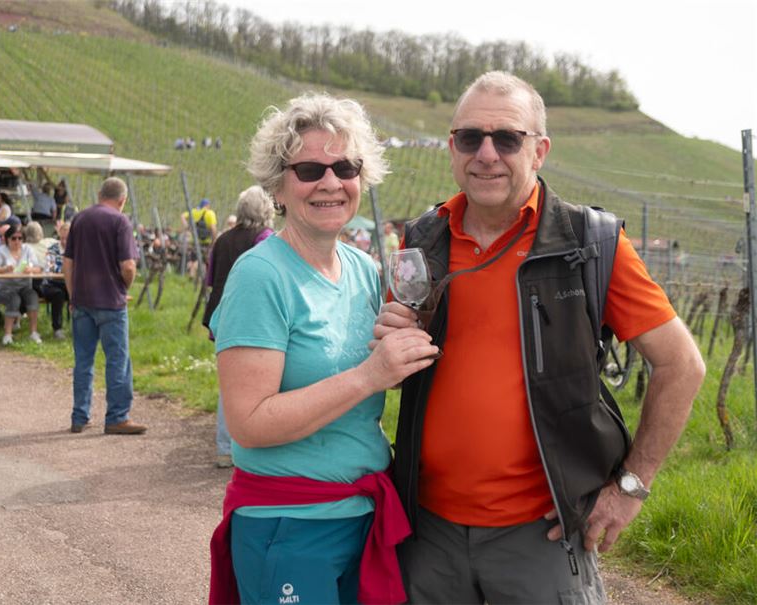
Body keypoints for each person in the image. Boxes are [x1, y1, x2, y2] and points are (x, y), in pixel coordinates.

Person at [373, 71, 706, 604]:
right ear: (451, 147)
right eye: (469, 138)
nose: (486, 154)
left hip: (541, 537)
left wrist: (629, 488)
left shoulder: (588, 244)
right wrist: (388, 348)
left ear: (540, 150)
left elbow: (682, 365)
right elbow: (401, 369)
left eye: (507, 138)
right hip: (427, 532)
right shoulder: (424, 238)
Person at [207, 93, 434, 605]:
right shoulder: (260, 276)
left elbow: (359, 390)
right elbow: (248, 422)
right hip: (290, 526)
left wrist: (397, 356)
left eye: (345, 167)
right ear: (279, 186)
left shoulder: (362, 268)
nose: (330, 182)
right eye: (310, 169)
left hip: (362, 516)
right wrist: (371, 375)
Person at [63, 177, 146, 436]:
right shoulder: (120, 221)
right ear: (122, 200)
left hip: (82, 301)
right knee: (117, 360)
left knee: (83, 360)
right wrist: (124, 288)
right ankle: (117, 417)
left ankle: (80, 416)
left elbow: (68, 263)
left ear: (100, 194)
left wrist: (72, 295)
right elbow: (129, 266)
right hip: (111, 303)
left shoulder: (80, 218)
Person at [201, 186, 275, 469]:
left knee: (228, 382)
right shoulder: (265, 239)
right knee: (254, 382)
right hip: (252, 316)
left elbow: (210, 279)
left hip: (221, 314)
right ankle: (247, 447)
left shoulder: (221, 239)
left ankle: (224, 448)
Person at [0, 222, 43, 346]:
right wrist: (4, 269)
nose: (17, 241)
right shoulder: (1, 251)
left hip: (23, 286)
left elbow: (39, 268)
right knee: (14, 299)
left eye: (20, 238)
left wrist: (31, 269)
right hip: (2, 288)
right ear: (7, 239)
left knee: (33, 296)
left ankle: (34, 332)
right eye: (13, 238)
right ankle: (7, 335)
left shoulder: (28, 250)